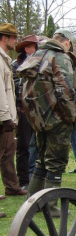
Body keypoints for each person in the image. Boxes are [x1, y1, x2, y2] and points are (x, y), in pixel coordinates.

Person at [17, 29, 76, 214]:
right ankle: (51, 207)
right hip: (57, 117)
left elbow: (22, 85)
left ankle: (32, 202)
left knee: (41, 161)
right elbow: (66, 89)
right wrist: (70, 115)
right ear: (66, 42)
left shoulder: (37, 55)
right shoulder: (60, 57)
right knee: (56, 162)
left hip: (38, 117)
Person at [0, 22, 27, 202]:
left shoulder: (5, 59)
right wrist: (5, 117)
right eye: (14, 37)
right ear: (4, 38)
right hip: (2, 116)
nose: (16, 41)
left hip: (6, 115)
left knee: (8, 152)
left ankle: (12, 186)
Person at [11, 34, 38, 188]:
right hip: (23, 110)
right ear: (27, 49)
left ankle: (35, 176)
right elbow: (17, 87)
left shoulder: (39, 63)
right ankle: (24, 180)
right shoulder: (16, 65)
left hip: (37, 111)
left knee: (37, 146)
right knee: (23, 146)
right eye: (35, 47)